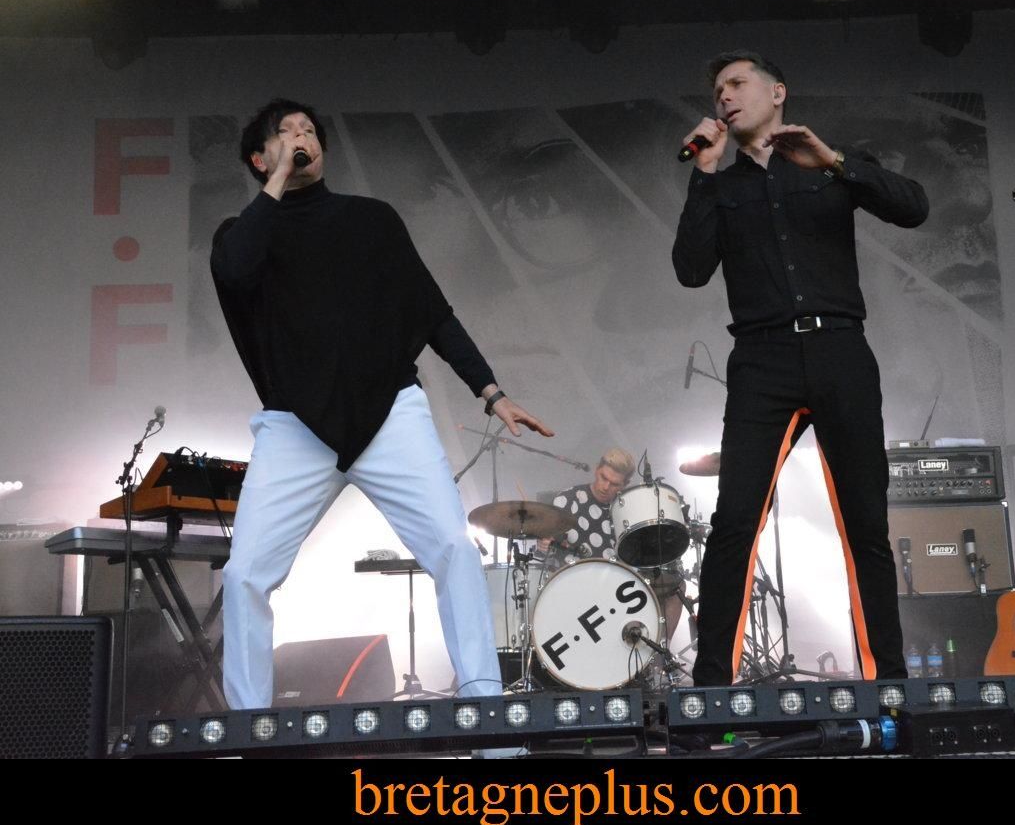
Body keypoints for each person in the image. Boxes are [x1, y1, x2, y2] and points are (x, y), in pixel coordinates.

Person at [211, 98, 552, 709]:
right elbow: (235, 275)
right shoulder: (242, 236)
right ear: (260, 159)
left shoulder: (371, 219)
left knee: (454, 550)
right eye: (286, 134)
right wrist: (279, 183)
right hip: (296, 427)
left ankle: (486, 713)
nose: (303, 138)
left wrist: (490, 391)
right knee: (244, 575)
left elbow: (431, 310)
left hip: (388, 413)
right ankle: (249, 725)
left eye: (310, 131)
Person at [673, 52, 929, 685]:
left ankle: (888, 683)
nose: (725, 96)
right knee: (735, 522)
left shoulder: (829, 164)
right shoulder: (722, 186)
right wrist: (703, 174)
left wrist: (836, 161)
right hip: (762, 360)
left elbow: (914, 207)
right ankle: (712, 689)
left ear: (778, 92)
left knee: (866, 523)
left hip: (840, 349)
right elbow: (690, 271)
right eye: (718, 89)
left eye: (737, 84)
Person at [541, 448, 688, 646]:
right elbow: (547, 547)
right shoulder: (567, 500)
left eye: (614, 484)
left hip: (617, 585)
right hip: (576, 585)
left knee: (675, 585)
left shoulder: (627, 509)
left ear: (625, 484)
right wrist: (544, 543)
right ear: (597, 469)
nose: (605, 487)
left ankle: (660, 652)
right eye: (603, 478)